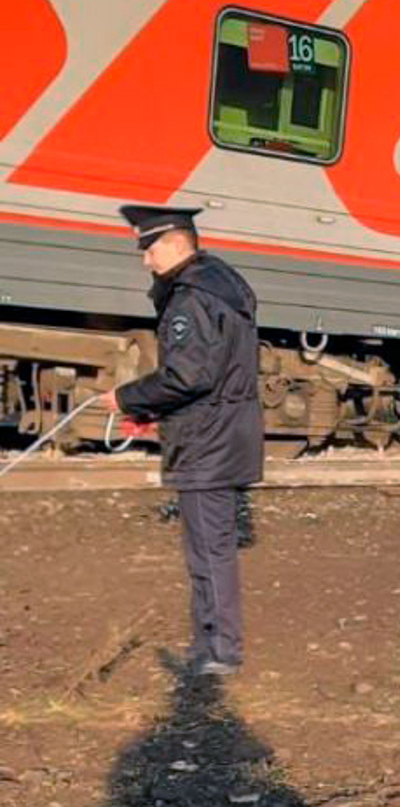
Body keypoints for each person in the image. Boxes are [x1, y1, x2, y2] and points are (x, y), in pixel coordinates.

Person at [105, 205, 264, 677]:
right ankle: (214, 645)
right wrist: (148, 410)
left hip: (207, 442)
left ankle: (219, 652)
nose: (145, 261)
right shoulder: (218, 286)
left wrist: (127, 398)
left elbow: (187, 376)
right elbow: (207, 375)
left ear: (176, 244)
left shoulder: (190, 299)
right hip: (219, 432)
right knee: (211, 547)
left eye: (149, 249)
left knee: (209, 550)